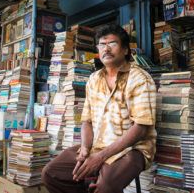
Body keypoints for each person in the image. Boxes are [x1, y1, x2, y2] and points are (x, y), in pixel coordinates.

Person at [42, 24, 157, 193]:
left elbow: (140, 129)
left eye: (112, 44)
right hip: (97, 146)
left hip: (131, 150)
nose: (106, 49)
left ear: (125, 50)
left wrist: (100, 157)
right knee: (51, 173)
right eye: (102, 45)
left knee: (105, 187)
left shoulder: (139, 79)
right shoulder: (94, 80)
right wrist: (85, 150)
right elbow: (87, 122)